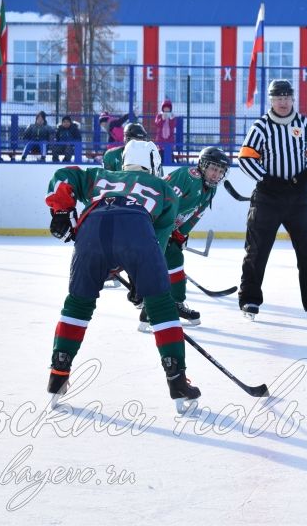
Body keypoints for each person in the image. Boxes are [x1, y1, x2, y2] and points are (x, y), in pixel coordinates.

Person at [43, 139, 199, 412]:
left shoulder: (98, 175)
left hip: (92, 230)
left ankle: (58, 374)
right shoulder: (164, 189)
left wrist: (61, 212)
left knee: (78, 303)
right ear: (153, 163)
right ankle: (177, 379)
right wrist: (142, 280)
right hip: (136, 228)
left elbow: (62, 176)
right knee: (161, 305)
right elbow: (157, 242)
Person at [237, 79, 307, 321]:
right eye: (279, 98)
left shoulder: (303, 125)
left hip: (297, 198)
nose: (283, 102)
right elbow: (245, 158)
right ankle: (250, 299)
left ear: (293, 99)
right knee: (257, 250)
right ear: (271, 100)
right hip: (267, 198)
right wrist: (266, 179)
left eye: (287, 97)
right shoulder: (261, 126)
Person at [137, 146, 230, 332]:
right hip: (150, 224)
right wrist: (162, 230)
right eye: (213, 169)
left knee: (175, 258)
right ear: (203, 166)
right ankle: (149, 310)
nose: (216, 174)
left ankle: (176, 303)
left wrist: (180, 234)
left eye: (220, 171)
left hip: (167, 229)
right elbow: (162, 201)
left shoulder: (211, 189)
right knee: (161, 264)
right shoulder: (188, 177)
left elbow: (196, 215)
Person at [152, 99, 178, 164]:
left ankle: (171, 164)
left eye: (168, 108)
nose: (166, 110)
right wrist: (162, 119)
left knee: (169, 154)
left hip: (169, 139)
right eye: (165, 108)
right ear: (162, 108)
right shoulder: (159, 115)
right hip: (161, 139)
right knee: (160, 154)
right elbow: (157, 124)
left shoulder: (172, 116)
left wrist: (171, 119)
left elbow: (174, 126)